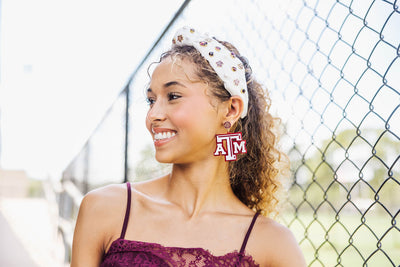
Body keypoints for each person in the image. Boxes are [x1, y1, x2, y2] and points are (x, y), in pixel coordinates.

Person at [71, 26, 306, 267]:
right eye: (151, 100)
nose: (153, 115)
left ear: (231, 109)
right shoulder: (105, 208)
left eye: (173, 96)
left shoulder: (272, 243)